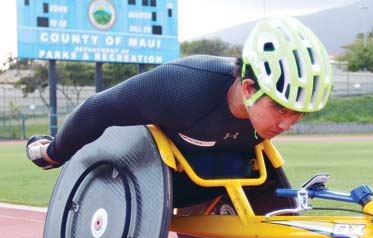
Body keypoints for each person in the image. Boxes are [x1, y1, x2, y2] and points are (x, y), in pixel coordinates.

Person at [26, 16, 332, 177]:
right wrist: (54, 152)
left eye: (298, 113)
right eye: (280, 109)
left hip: (210, 172)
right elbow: (98, 108)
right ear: (250, 88)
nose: (288, 124)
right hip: (146, 167)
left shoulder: (262, 120)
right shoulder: (182, 88)